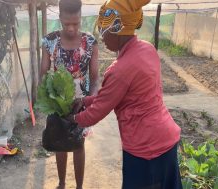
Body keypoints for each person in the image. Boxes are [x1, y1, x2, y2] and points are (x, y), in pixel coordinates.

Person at [68, 0, 182, 188]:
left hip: (146, 149)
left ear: (117, 29)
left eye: (104, 30)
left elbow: (96, 113)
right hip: (166, 139)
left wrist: (72, 118)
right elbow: (113, 95)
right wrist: (85, 100)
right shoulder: (147, 49)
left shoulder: (120, 69)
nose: (102, 37)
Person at [40, 0, 99, 188]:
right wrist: (47, 99)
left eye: (76, 23)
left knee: (78, 144)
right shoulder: (50, 41)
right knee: (60, 143)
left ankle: (79, 186)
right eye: (67, 24)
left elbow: (95, 77)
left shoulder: (90, 42)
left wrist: (90, 101)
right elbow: (43, 73)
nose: (71, 28)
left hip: (80, 104)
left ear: (81, 18)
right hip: (58, 103)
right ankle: (62, 183)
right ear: (59, 18)